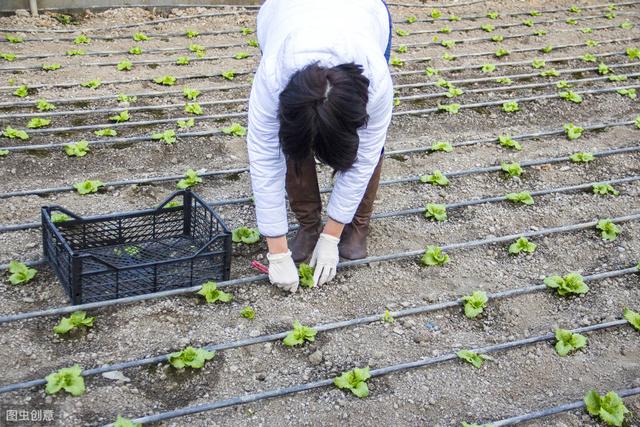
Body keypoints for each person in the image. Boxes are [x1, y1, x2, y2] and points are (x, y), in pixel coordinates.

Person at [247, 0, 393, 292]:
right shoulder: (274, 76)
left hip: (364, 12)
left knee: (368, 149)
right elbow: (264, 158)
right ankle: (308, 223)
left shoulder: (375, 82)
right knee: (294, 136)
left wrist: (333, 234)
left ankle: (356, 225)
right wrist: (277, 252)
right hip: (284, 13)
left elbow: (365, 154)